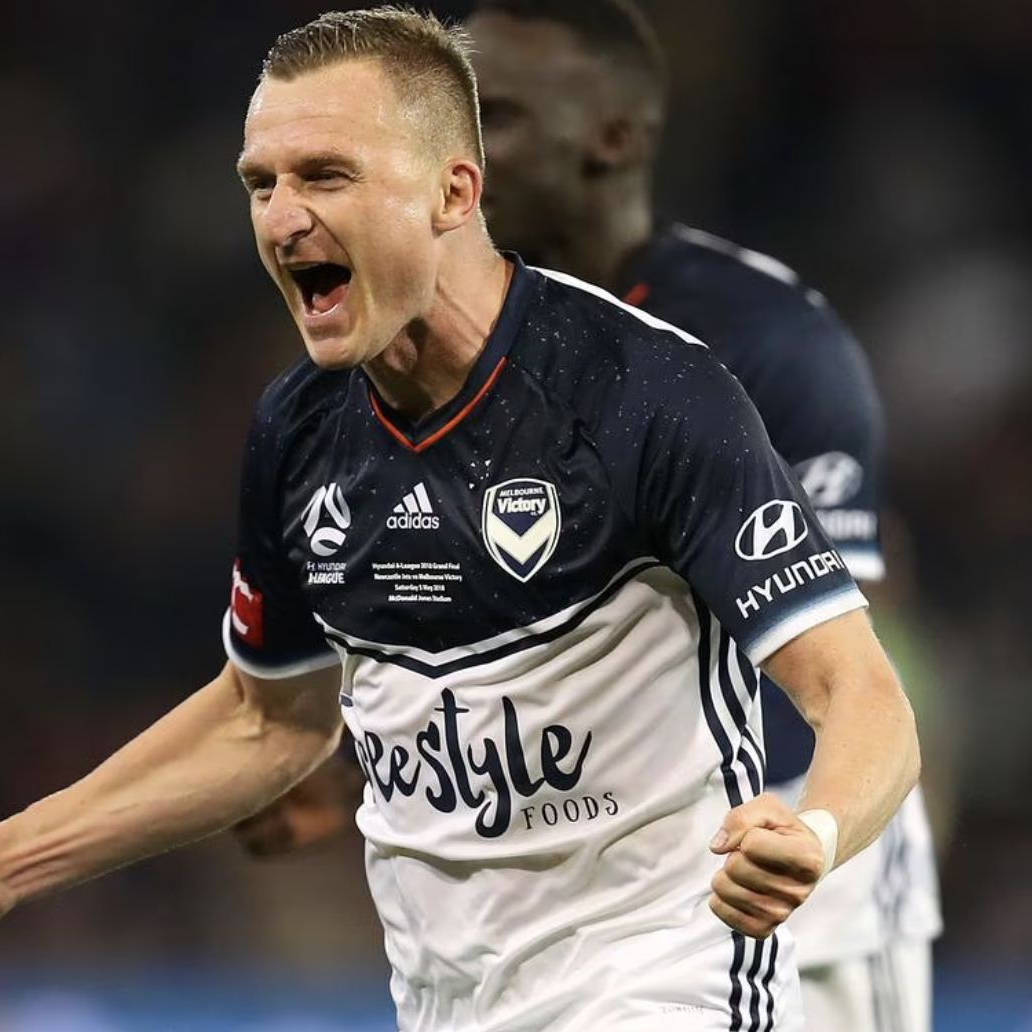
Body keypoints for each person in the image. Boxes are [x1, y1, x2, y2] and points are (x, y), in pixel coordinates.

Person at [0, 10, 921, 1031]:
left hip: (662, 985)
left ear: (454, 191)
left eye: (325, 175)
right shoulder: (299, 431)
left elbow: (861, 694)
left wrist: (817, 832)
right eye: (261, 182)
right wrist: (8, 858)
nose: (281, 217)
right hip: (445, 1003)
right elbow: (269, 718)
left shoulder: (647, 395)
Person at [236, 2, 942, 1029]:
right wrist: (379, 760)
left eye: (501, 116)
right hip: (590, 881)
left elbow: (837, 653)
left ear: (608, 138)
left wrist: (808, 829)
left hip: (796, 847)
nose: (468, 145)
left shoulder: (757, 342)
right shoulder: (441, 357)